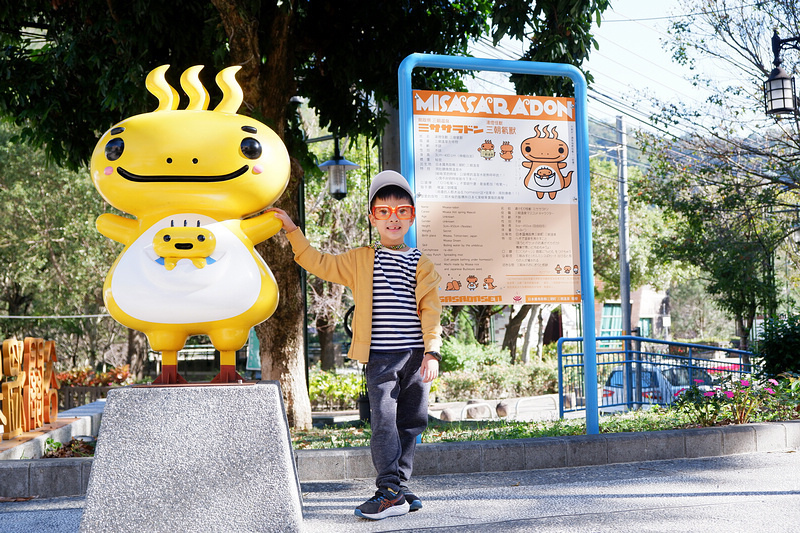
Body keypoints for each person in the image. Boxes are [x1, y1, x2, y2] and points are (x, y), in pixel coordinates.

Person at [268, 170, 442, 521]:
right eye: (384, 211)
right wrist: (291, 230)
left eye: (402, 211)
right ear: (372, 218)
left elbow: (431, 310)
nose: (393, 218)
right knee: (384, 422)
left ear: (411, 216)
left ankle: (401, 487)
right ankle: (389, 489)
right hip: (380, 359)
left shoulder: (420, 263)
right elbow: (319, 263)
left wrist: (432, 351)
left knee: (412, 422)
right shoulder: (362, 260)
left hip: (416, 359)